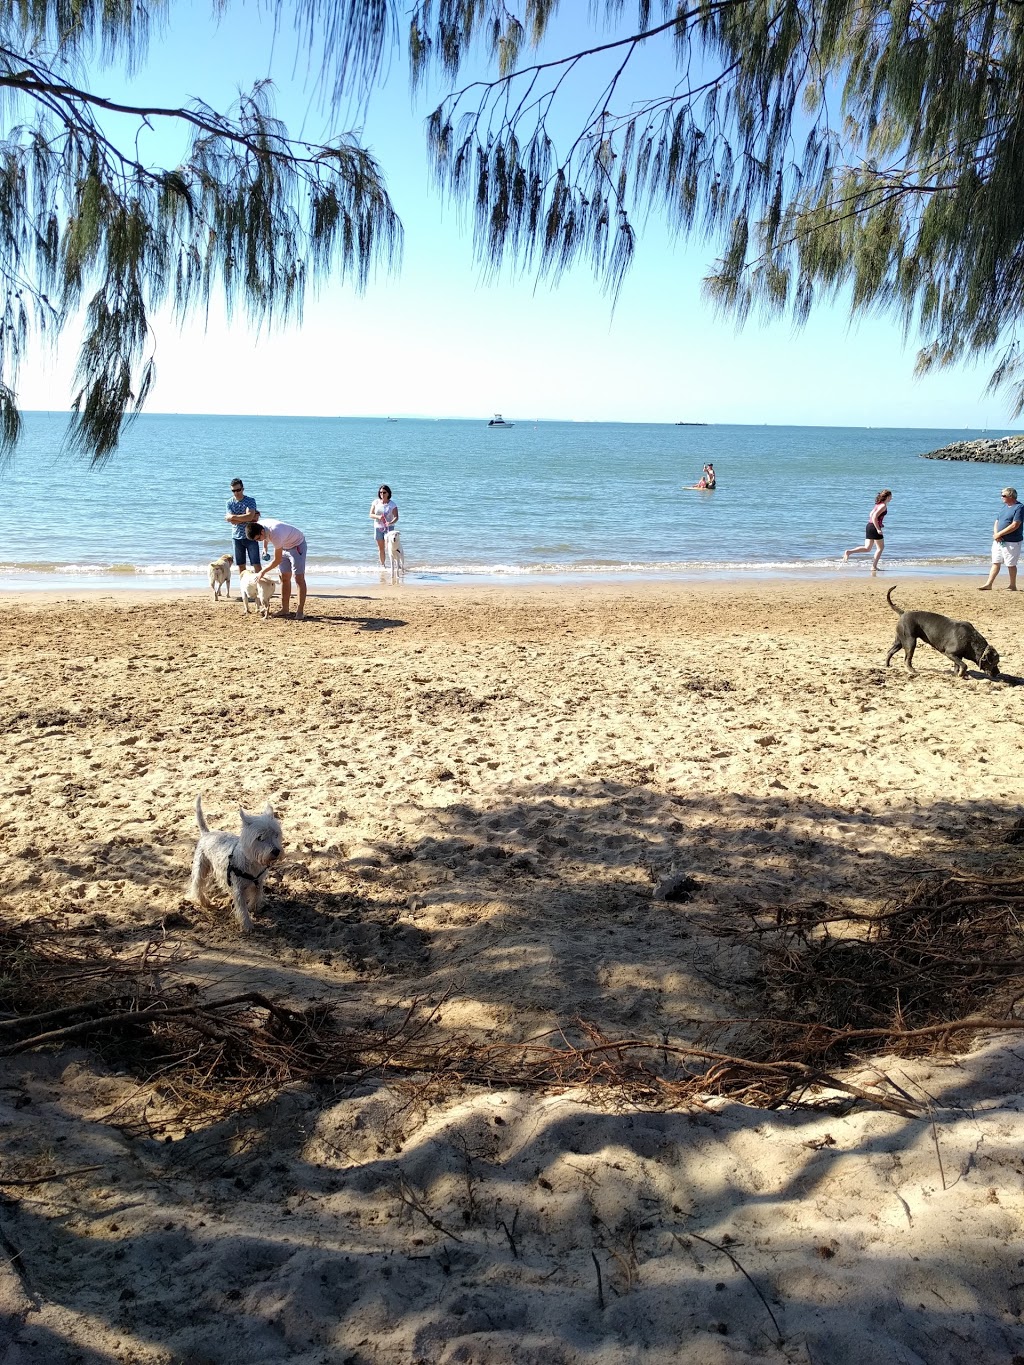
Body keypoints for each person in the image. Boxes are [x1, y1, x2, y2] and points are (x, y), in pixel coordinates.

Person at [245, 517, 308, 619]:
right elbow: (265, 537)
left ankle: (300, 611)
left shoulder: (276, 533)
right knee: (284, 577)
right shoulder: (260, 527)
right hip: (283, 546)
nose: (258, 541)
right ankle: (285, 609)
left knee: (298, 578)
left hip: (297, 546)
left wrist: (262, 572)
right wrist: (265, 548)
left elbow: (277, 560)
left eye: (258, 539)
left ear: (261, 532)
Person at [979, 486, 1024, 591]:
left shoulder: (1019, 507)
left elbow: (1015, 525)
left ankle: (1012, 585)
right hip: (999, 541)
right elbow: (997, 521)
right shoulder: (1004, 507)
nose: (1001, 497)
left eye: (1003, 495)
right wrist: (996, 534)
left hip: (1012, 541)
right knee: (996, 561)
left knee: (1010, 564)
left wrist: (1000, 534)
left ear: (1010, 496)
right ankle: (988, 584)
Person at [843, 489, 892, 571]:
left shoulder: (877, 504)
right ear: (887, 497)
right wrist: (878, 528)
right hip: (874, 528)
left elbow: (871, 514)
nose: (891, 498)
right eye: (891, 496)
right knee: (880, 548)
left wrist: (878, 522)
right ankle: (874, 566)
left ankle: (849, 552)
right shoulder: (883, 505)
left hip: (869, 526)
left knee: (867, 548)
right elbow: (874, 516)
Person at [224, 478, 261, 571]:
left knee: (256, 564)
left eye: (238, 490)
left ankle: (260, 585)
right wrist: (248, 517)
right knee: (241, 566)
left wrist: (234, 517)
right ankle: (244, 585)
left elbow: (249, 517)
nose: (236, 493)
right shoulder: (229, 502)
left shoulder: (250, 500)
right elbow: (232, 521)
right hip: (236, 537)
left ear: (242, 489)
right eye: (233, 491)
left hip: (251, 535)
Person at [368, 484, 398, 566]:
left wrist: (390, 522)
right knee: (381, 548)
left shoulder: (392, 504)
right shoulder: (376, 502)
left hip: (389, 528)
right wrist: (378, 516)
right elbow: (370, 514)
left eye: (384, 492)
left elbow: (396, 517)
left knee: (390, 548)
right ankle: (383, 565)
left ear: (388, 493)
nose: (382, 494)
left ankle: (396, 564)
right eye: (380, 492)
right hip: (378, 527)